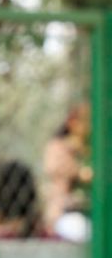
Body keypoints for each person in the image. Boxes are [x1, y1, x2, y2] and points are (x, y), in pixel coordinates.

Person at [43, 102, 92, 242]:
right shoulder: (57, 147)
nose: (90, 127)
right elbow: (57, 168)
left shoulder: (91, 149)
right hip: (66, 213)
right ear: (72, 122)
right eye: (86, 121)